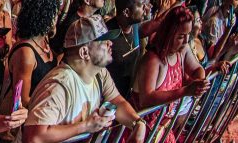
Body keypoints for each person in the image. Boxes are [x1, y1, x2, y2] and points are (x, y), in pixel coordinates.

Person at [21, 15, 147, 143]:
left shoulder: (100, 73)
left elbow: (117, 101)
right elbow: (34, 137)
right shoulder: (59, 86)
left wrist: (137, 123)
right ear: (84, 52)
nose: (110, 43)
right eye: (103, 41)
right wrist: (86, 126)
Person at [132, 6, 210, 143]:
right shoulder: (153, 60)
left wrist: (199, 82)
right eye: (181, 36)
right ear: (169, 33)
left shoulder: (183, 50)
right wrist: (185, 91)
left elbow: (197, 69)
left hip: (161, 127)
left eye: (188, 35)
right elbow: (146, 98)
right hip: (141, 130)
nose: (186, 41)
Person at [0, 0, 59, 113]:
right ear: (45, 18)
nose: (57, 19)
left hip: (38, 111)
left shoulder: (44, 38)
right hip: (20, 119)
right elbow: (22, 100)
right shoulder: (26, 52)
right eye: (55, 15)